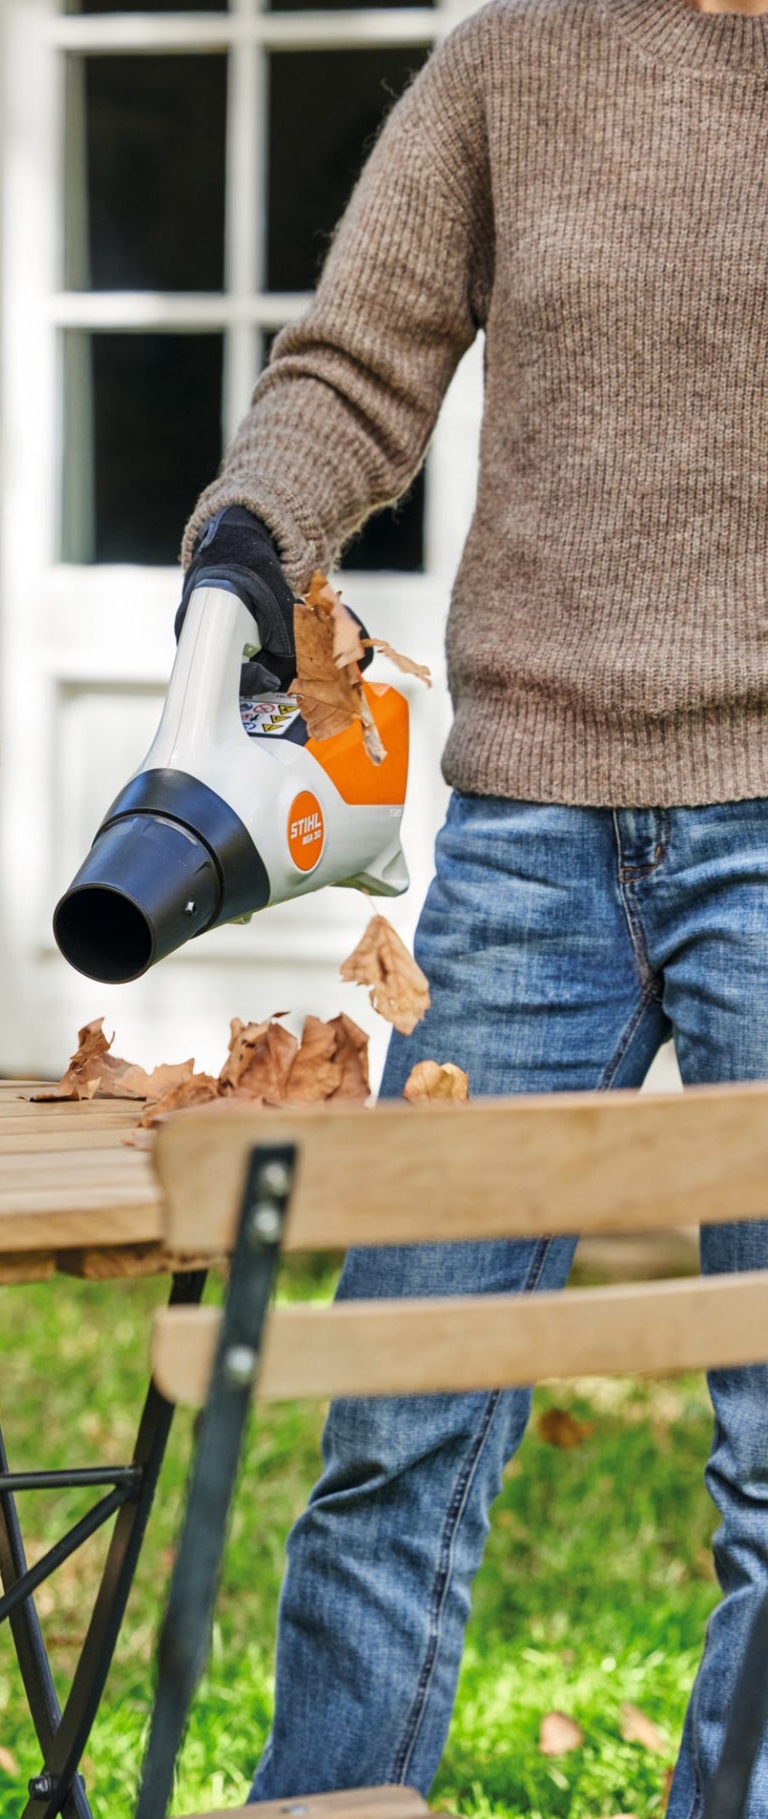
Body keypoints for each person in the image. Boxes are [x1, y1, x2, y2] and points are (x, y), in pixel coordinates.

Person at [177, 0, 768, 1812]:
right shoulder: (525, 50)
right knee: (401, 1419)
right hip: (529, 841)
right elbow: (358, 364)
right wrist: (242, 552)